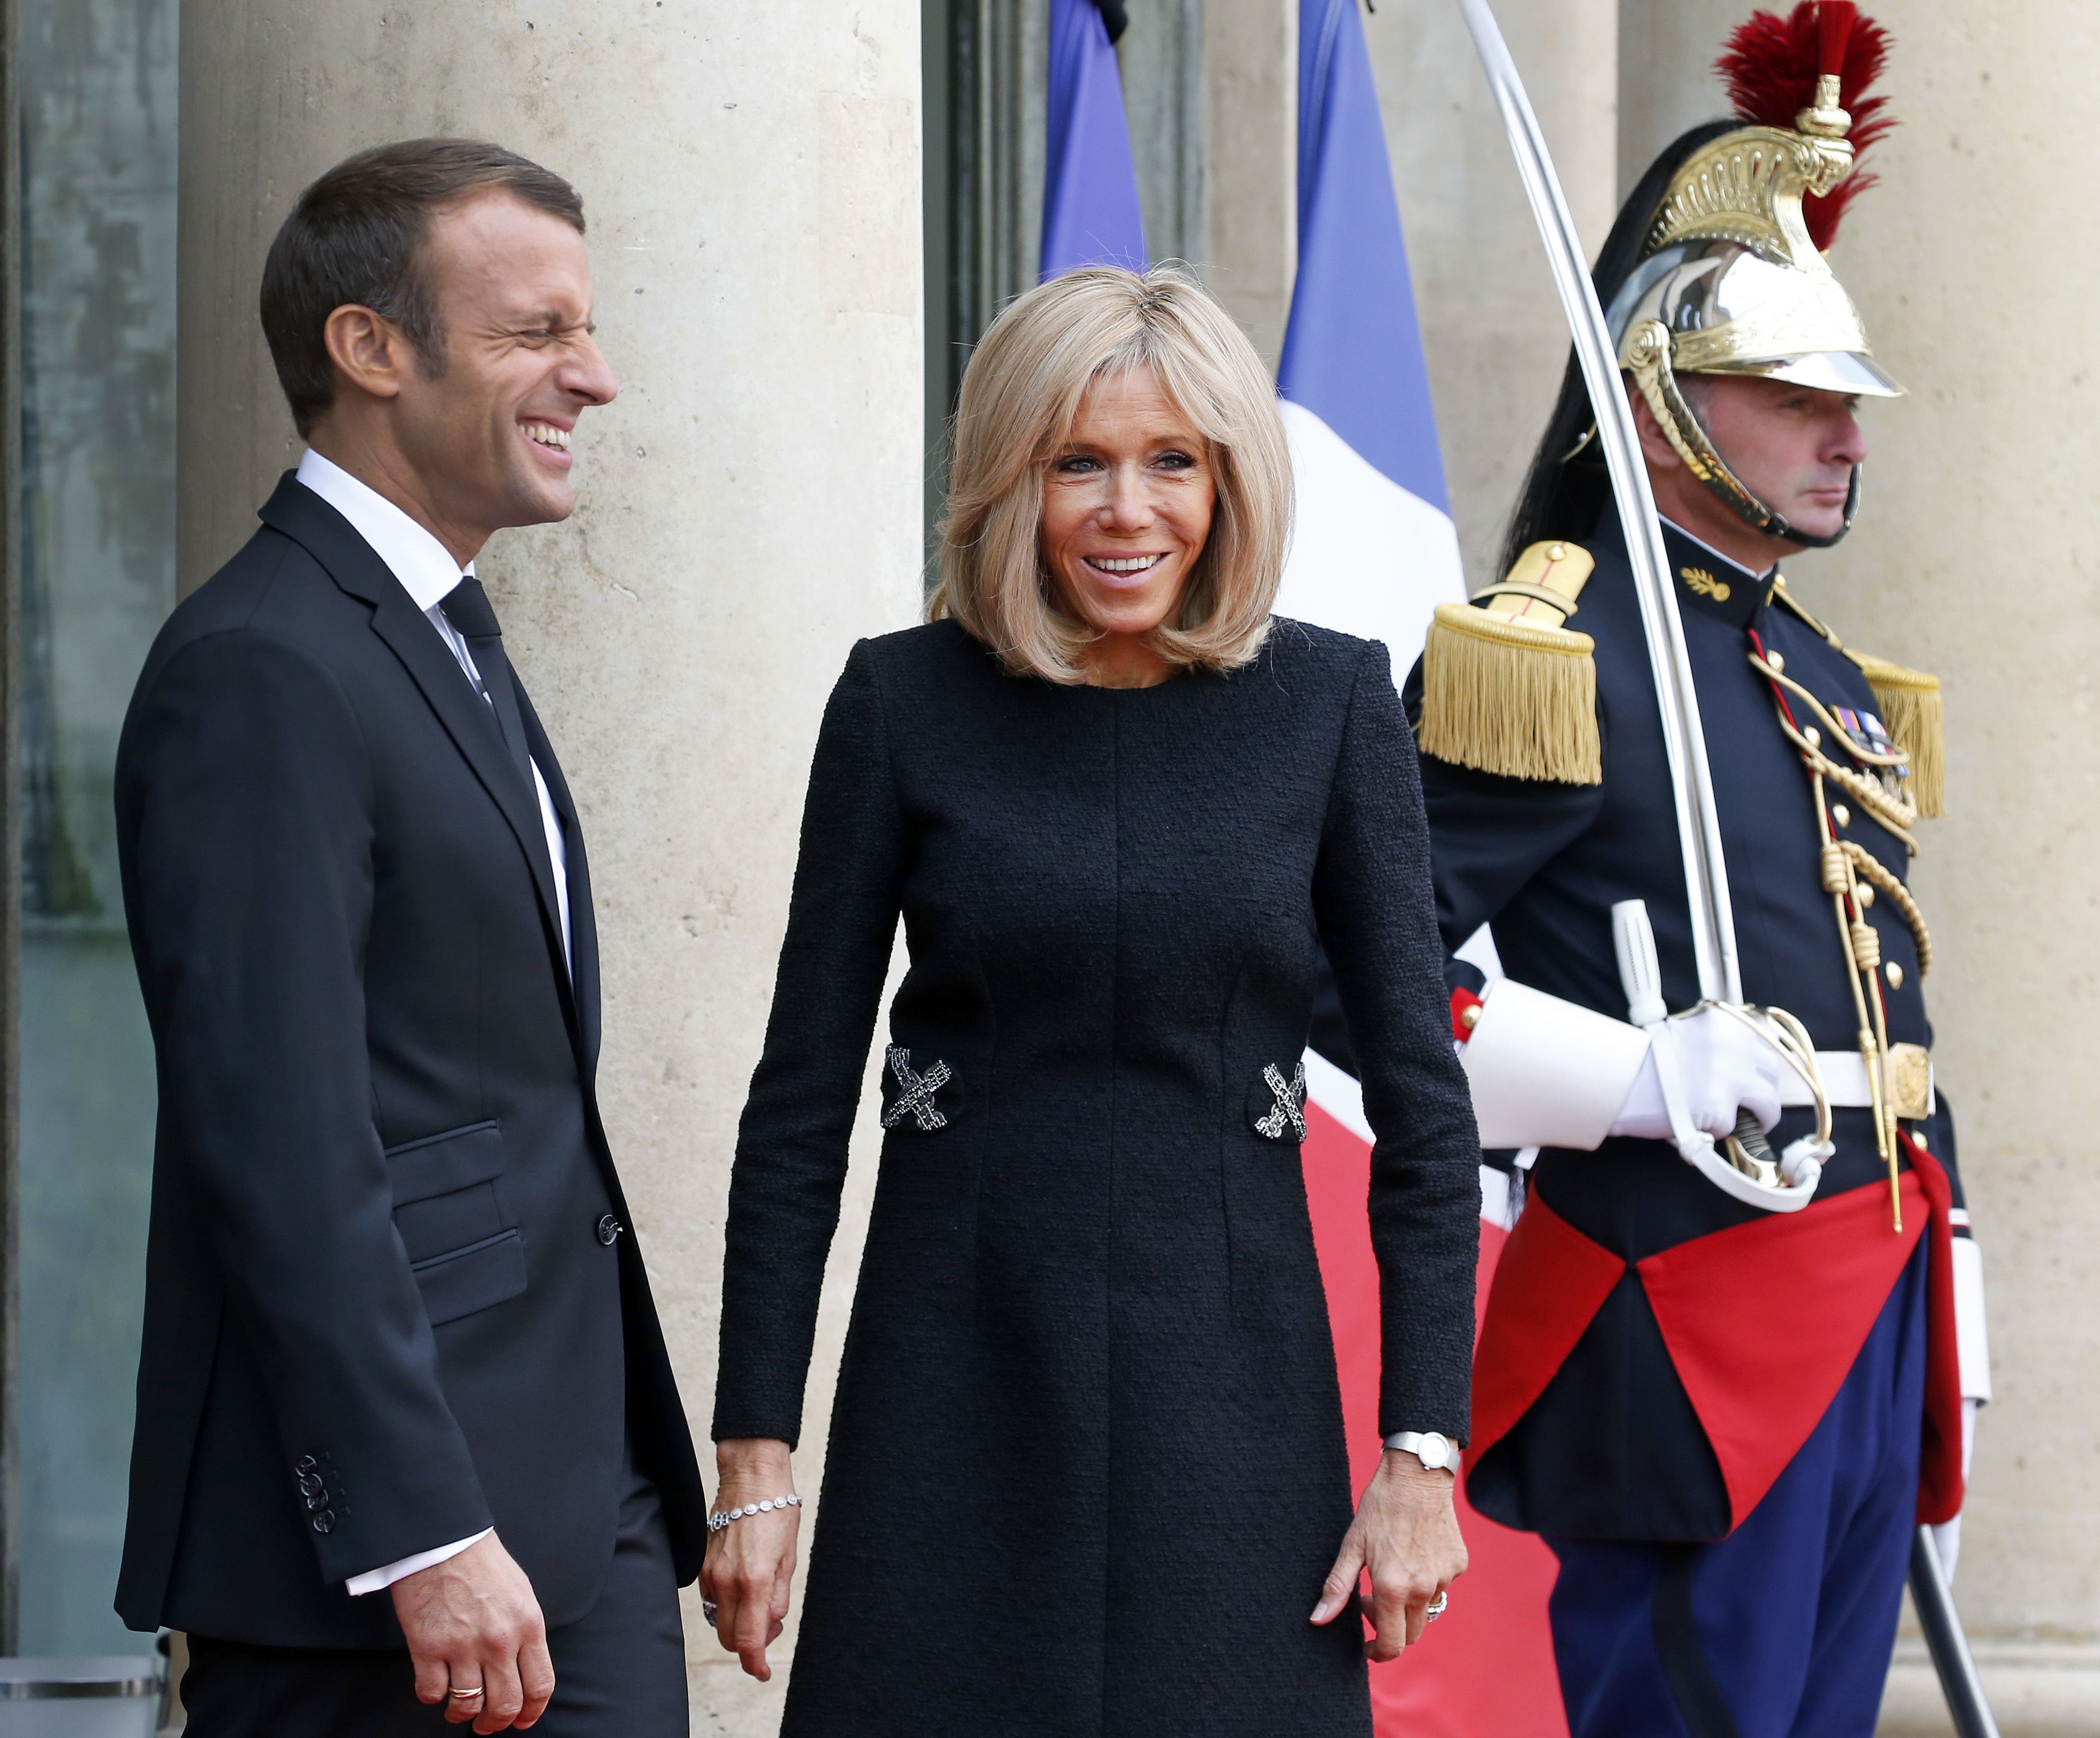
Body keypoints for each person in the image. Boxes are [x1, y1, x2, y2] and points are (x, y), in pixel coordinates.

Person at [1321, 9, 1991, 1734]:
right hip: (1684, 1306)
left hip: (1870, 1291)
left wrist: (1953, 1307)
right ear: (1660, 403)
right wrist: (1626, 1076)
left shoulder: (1817, 673)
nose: (1842, 438)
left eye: (1847, 401)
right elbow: (1354, 972)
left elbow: (1887, 1009)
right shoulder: (1553, 654)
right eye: (1794, 399)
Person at [699, 264, 1484, 1736]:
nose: (1129, 510)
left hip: (1238, 1395)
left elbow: (1426, 1119)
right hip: (951, 1377)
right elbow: (798, 1107)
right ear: (1013, 477)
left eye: (1171, 460)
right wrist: (756, 1456)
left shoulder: (1329, 704)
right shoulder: (899, 702)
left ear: (1229, 480)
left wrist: (1421, 1451)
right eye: (1079, 463)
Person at [111, 139, 704, 1737]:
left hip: (576, 1508)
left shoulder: (437, 635)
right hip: (387, 1572)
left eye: (587, 329)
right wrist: (422, 1529)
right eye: (536, 332)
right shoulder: (262, 663)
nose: (594, 376)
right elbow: (281, 1142)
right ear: (369, 347)